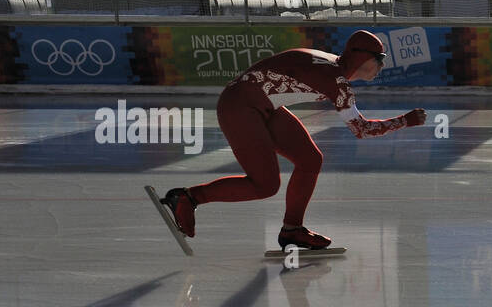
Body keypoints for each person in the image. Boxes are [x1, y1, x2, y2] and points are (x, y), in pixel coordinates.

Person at [158, 30, 426, 250]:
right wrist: (406, 120)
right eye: (379, 59)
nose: (381, 66)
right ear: (361, 58)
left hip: (259, 105)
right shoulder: (336, 81)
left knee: (310, 160)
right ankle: (188, 197)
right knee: (265, 185)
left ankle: (292, 229)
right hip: (240, 107)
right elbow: (362, 130)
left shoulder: (332, 65)